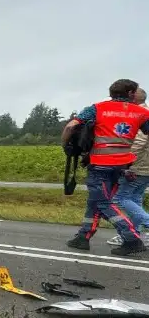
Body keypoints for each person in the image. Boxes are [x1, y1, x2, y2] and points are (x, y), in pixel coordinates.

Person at [63, 79, 149, 256]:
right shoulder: (141, 112)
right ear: (131, 93)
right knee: (95, 200)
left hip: (100, 164)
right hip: (122, 165)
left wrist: (66, 145)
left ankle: (131, 238)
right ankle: (83, 237)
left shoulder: (97, 108)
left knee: (103, 202)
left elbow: (72, 126)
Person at [108, 87, 149, 245]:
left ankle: (140, 229)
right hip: (145, 166)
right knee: (135, 198)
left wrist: (123, 163)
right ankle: (135, 234)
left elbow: (138, 142)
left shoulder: (139, 114)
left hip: (137, 165)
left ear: (133, 98)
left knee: (120, 198)